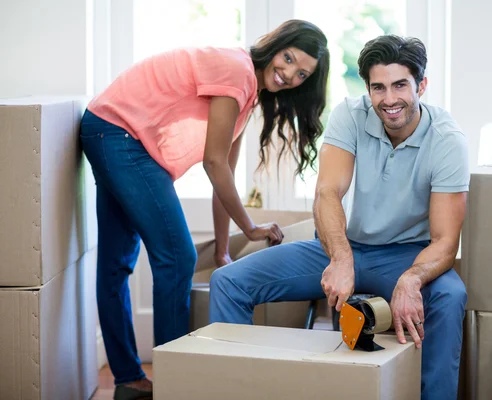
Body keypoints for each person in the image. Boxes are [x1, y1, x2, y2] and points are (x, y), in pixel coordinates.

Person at [80, 19, 329, 400]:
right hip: (120, 135)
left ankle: (129, 381)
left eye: (301, 74)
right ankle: (178, 383)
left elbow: (222, 174)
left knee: (115, 263)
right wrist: (251, 228)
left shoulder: (247, 95)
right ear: (275, 45)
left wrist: (224, 250)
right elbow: (214, 163)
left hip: (106, 127)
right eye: (288, 58)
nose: (289, 74)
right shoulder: (238, 72)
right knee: (177, 256)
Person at [209, 34, 469, 400]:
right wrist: (341, 256)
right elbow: (327, 193)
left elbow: (445, 240)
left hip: (405, 256)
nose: (389, 99)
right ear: (368, 88)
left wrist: (411, 280)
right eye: (378, 87)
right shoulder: (351, 114)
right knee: (229, 282)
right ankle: (233, 391)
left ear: (421, 85)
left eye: (400, 85)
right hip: (340, 246)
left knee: (450, 295)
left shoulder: (447, 140)